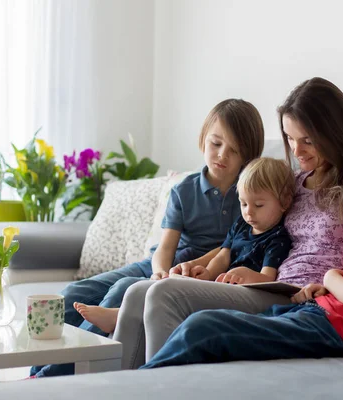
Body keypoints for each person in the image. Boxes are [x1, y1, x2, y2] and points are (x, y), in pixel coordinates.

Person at [111, 77, 343, 369]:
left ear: (333, 131)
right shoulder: (291, 183)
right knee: (139, 290)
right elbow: (250, 235)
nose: (297, 150)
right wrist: (201, 263)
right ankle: (110, 384)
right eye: (290, 138)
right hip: (272, 285)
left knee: (164, 294)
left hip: (302, 297)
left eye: (308, 140)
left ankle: (151, 386)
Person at [30, 98, 265, 378]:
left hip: (196, 275)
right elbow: (165, 247)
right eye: (216, 144)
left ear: (248, 156)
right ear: (203, 140)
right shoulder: (185, 189)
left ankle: (50, 376)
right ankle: (36, 368)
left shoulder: (251, 195)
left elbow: (237, 244)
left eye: (234, 150)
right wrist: (159, 273)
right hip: (160, 267)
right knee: (71, 296)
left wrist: (174, 277)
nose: (222, 155)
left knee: (122, 292)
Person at [141, 158, 343, 367]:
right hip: (314, 311)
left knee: (204, 328)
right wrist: (320, 290)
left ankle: (141, 384)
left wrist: (331, 278)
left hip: (333, 331)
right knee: (204, 326)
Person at [74, 157, 295, 332]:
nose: (248, 212)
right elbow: (222, 256)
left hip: (238, 293)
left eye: (258, 205)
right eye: (244, 203)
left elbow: (267, 278)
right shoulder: (241, 225)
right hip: (219, 284)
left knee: (166, 293)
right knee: (145, 287)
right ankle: (118, 315)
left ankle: (118, 316)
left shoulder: (277, 238)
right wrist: (206, 272)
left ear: (284, 202)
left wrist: (246, 274)